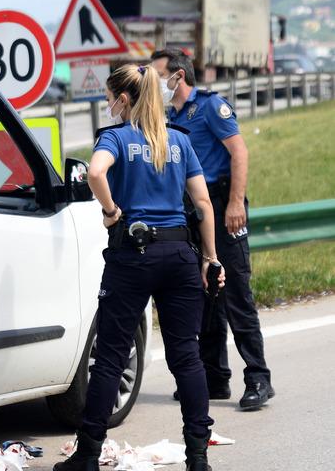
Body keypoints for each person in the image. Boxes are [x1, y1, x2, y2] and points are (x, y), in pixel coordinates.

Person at [53, 64, 224, 471]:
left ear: (124, 99)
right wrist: (211, 258)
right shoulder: (178, 140)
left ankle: (89, 455)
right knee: (186, 356)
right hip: (181, 256)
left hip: (133, 254)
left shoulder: (116, 136)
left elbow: (94, 172)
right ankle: (198, 458)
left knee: (111, 356)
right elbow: (202, 205)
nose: (109, 106)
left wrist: (111, 212)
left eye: (111, 98)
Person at [151, 49, 274, 410]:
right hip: (191, 211)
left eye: (159, 75)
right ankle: (215, 377)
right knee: (205, 296)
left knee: (236, 292)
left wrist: (236, 203)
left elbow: (239, 152)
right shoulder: (168, 115)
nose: (155, 83)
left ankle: (258, 379)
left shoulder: (210, 107)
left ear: (178, 76)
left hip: (222, 206)